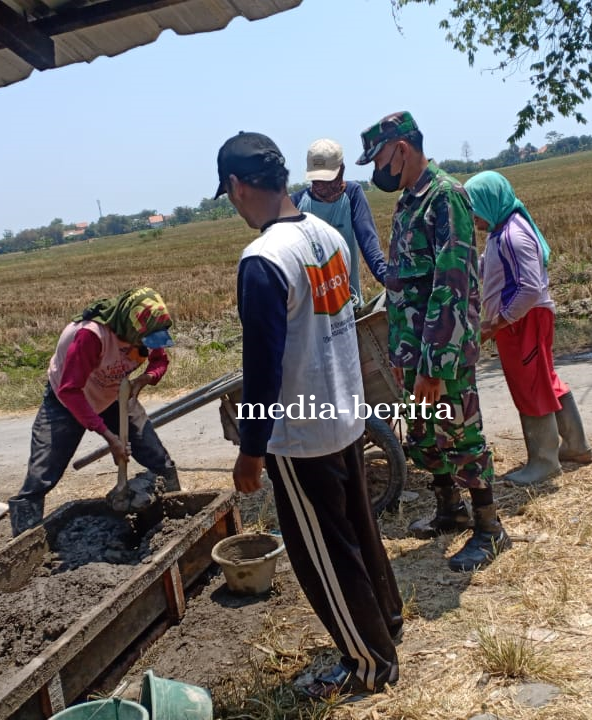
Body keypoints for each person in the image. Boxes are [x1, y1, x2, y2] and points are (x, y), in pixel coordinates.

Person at [219, 131, 401, 698]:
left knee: (323, 554)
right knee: (358, 534)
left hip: (301, 434)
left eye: (228, 194)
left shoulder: (263, 261)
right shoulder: (326, 236)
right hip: (345, 412)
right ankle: (386, 620)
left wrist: (252, 451)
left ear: (237, 187)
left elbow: (264, 367)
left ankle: (369, 663)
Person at [356, 111, 510, 572]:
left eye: (379, 159)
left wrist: (433, 365)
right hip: (414, 349)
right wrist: (403, 353)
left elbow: (453, 285)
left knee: (461, 435)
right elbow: (404, 284)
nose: (376, 171)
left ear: (401, 149)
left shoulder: (446, 198)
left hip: (441, 354)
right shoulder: (409, 201)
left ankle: (489, 528)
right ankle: (450, 510)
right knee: (424, 438)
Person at [7, 288, 180, 536]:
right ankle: (24, 544)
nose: (146, 346)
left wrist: (145, 379)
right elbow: (70, 390)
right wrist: (109, 437)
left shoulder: (147, 330)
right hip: (66, 401)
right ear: (129, 328)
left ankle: (175, 522)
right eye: (143, 341)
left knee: (158, 458)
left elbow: (159, 360)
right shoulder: (91, 336)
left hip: (114, 395)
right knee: (42, 474)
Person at [464, 171, 592, 486]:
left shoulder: (513, 235)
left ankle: (544, 462)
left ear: (489, 202)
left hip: (524, 320)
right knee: (544, 379)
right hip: (522, 320)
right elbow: (490, 269)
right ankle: (576, 446)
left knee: (529, 386)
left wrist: (498, 322)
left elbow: (530, 289)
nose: (472, 219)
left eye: (473, 209)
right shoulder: (499, 232)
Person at [289, 138, 388, 304]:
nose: (321, 185)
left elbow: (368, 241)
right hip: (312, 306)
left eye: (326, 179)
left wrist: (386, 277)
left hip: (349, 299)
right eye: (316, 180)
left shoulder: (352, 194)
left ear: (341, 170)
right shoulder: (297, 203)